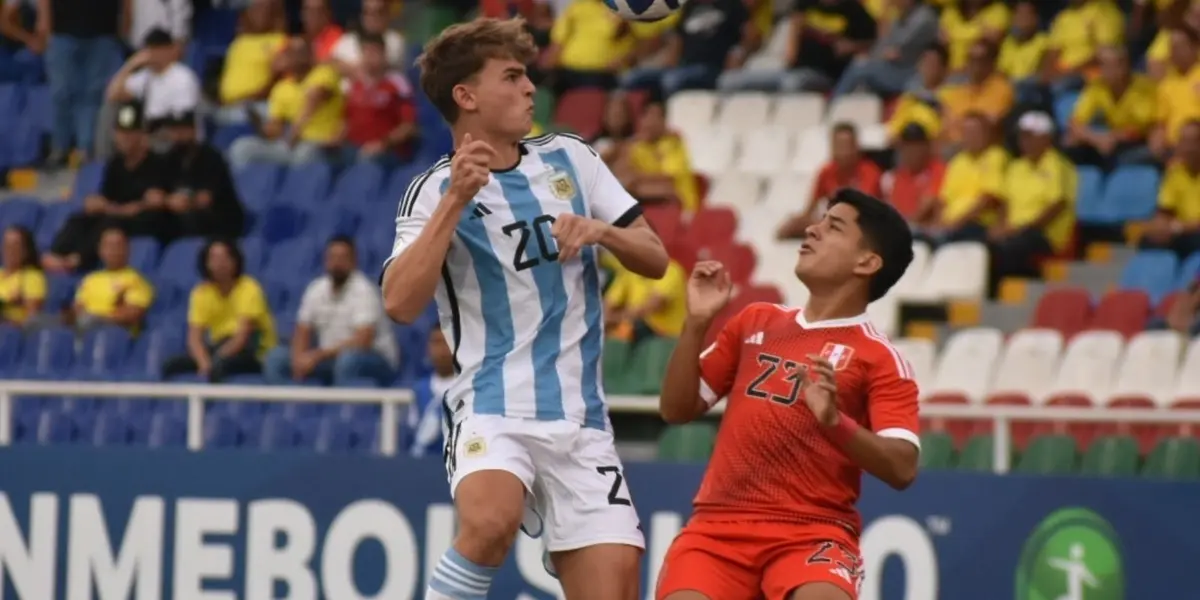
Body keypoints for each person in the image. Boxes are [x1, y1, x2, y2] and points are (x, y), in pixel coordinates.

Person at [380, 17, 670, 600]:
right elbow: (399, 302)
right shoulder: (434, 190)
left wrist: (601, 232)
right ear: (466, 96)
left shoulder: (572, 159)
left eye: (528, 76)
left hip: (580, 421)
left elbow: (656, 257)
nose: (530, 88)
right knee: (489, 524)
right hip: (492, 406)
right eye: (511, 77)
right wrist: (457, 201)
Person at [656, 189, 920, 600]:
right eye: (819, 221)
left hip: (814, 533)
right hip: (718, 529)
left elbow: (903, 468)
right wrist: (695, 324)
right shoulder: (754, 320)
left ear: (867, 262)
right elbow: (675, 409)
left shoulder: (881, 358)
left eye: (833, 227)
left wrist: (836, 422)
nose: (812, 230)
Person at [264, 236, 398, 387]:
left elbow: (362, 341)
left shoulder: (364, 290)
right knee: (276, 358)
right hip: (330, 358)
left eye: (342, 258)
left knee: (348, 361)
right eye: (332, 257)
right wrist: (298, 359)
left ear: (354, 261)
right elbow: (302, 331)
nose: (337, 263)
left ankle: (344, 410)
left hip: (373, 359)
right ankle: (289, 407)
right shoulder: (316, 288)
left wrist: (316, 356)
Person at [161, 239, 277, 382]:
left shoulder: (249, 288)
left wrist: (217, 359)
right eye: (213, 258)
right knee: (171, 365)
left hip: (252, 350)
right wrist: (203, 361)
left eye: (224, 258)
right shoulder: (201, 292)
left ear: (235, 261)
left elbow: (242, 337)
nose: (219, 264)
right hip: (218, 346)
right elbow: (194, 337)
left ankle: (214, 404)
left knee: (219, 367)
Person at [71, 227, 154, 332]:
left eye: (118, 246)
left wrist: (98, 319)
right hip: (85, 329)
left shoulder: (136, 280)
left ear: (128, 249)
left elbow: (132, 313)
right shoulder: (90, 279)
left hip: (115, 335)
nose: (113, 251)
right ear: (100, 250)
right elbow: (78, 307)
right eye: (108, 246)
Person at [0, 226, 46, 326]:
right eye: (6, 246)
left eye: (15, 246)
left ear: (25, 251)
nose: (9, 251)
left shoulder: (32, 277)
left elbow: (32, 320)